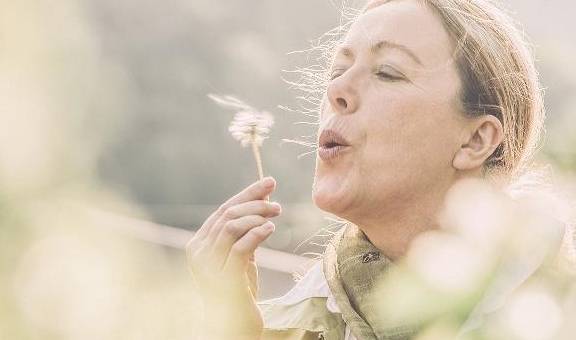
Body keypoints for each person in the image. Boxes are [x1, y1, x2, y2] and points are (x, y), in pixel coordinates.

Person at [186, 0, 566, 339]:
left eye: (387, 72)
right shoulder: (295, 328)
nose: (338, 91)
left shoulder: (556, 315)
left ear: (476, 141)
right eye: (336, 70)